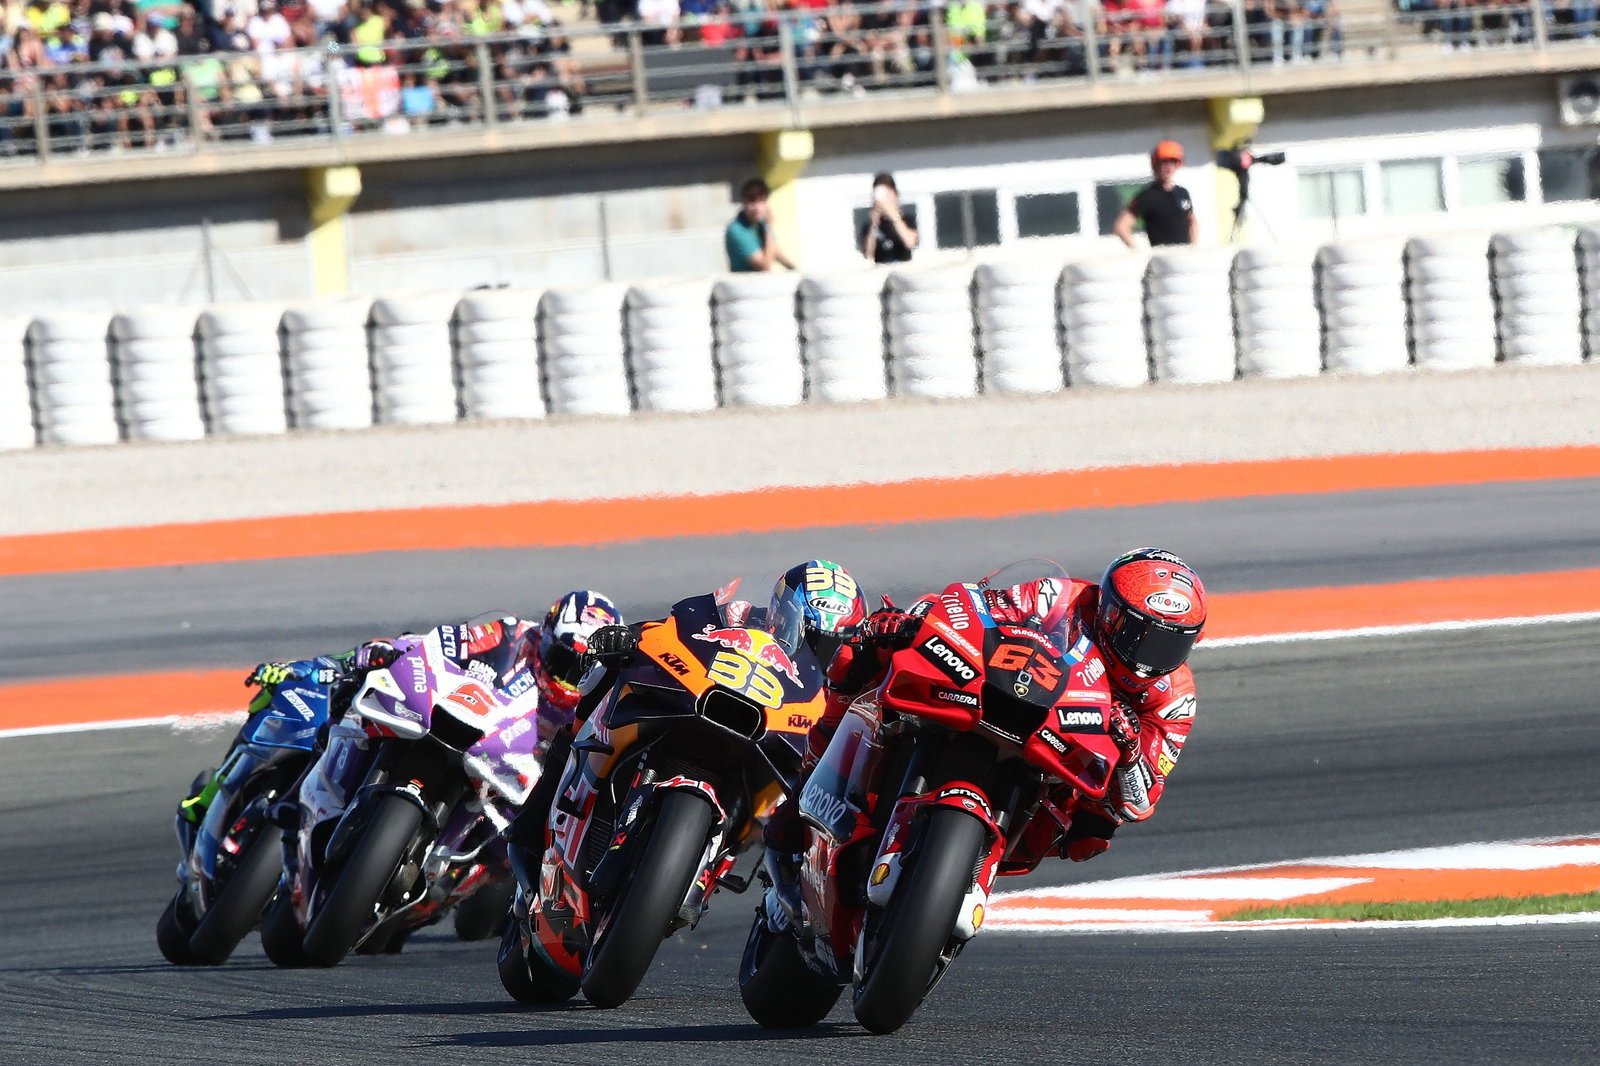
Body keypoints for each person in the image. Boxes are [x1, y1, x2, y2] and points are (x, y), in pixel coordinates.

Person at [764, 548, 1206, 877]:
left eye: (1171, 644)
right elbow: (975, 607)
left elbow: (1140, 799)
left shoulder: (1174, 696)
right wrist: (913, 622)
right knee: (874, 651)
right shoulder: (1061, 597)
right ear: (1109, 612)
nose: (1148, 657)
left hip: (1062, 754)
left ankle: (970, 870)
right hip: (999, 692)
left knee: (1094, 830)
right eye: (1137, 634)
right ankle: (811, 775)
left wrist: (1129, 753)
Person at [503, 559, 868, 893]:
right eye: (811, 635)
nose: (817, 652)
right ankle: (534, 822)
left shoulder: (839, 691)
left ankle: (776, 894)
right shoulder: (741, 614)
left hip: (770, 738)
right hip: (695, 703)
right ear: (781, 611)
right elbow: (674, 628)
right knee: (604, 679)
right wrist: (628, 636)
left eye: (831, 647)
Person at [176, 590, 625, 826]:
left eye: (583, 670)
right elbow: (444, 643)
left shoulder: (588, 709)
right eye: (566, 661)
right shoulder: (512, 634)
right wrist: (383, 654)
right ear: (547, 639)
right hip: (455, 719)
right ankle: (211, 796)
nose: (570, 679)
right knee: (304, 691)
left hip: (502, 778)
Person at [1113, 140, 1199, 248]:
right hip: (1162, 259)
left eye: (1172, 161)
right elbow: (1121, 227)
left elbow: (1192, 222)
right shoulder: (1147, 196)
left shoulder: (1182, 193)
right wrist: (1140, 252)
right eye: (1164, 162)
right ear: (1155, 164)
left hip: (1184, 257)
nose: (1168, 166)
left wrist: (1193, 248)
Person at [725, 176, 796, 272]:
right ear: (743, 201)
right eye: (752, 200)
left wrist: (795, 269)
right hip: (744, 284)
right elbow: (765, 267)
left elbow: (774, 250)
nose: (757, 207)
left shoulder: (761, 224)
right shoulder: (736, 230)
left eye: (761, 200)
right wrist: (769, 227)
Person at [859, 171, 918, 264]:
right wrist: (874, 223)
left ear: (895, 194)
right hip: (881, 271)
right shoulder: (869, 226)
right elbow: (868, 254)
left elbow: (910, 243)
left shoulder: (907, 219)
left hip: (903, 270)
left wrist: (894, 215)